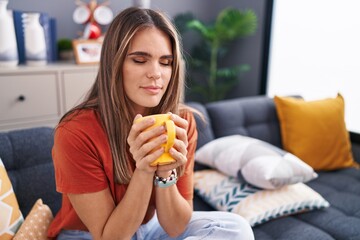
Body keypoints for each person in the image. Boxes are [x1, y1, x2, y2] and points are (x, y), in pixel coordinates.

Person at [48, 7, 254, 240]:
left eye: (165, 62)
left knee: (236, 228)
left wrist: (166, 171)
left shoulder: (182, 122)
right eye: (139, 60)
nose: (156, 73)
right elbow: (110, 236)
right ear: (113, 64)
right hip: (89, 234)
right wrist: (144, 169)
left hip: (150, 226)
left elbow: (175, 227)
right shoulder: (76, 132)